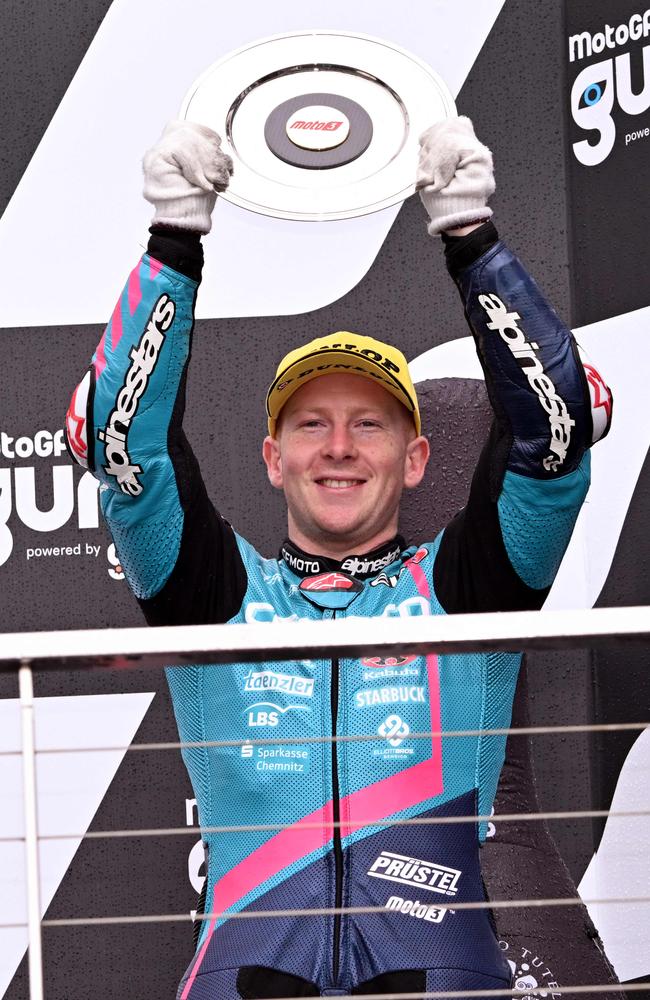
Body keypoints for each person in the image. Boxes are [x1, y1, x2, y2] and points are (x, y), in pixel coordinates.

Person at [65, 115, 612, 1000]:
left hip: (445, 977)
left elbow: (553, 440)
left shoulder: (466, 590)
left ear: (417, 457)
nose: (339, 448)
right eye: (310, 424)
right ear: (273, 457)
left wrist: (473, 240)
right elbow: (125, 452)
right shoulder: (220, 595)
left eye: (370, 424)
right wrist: (175, 237)